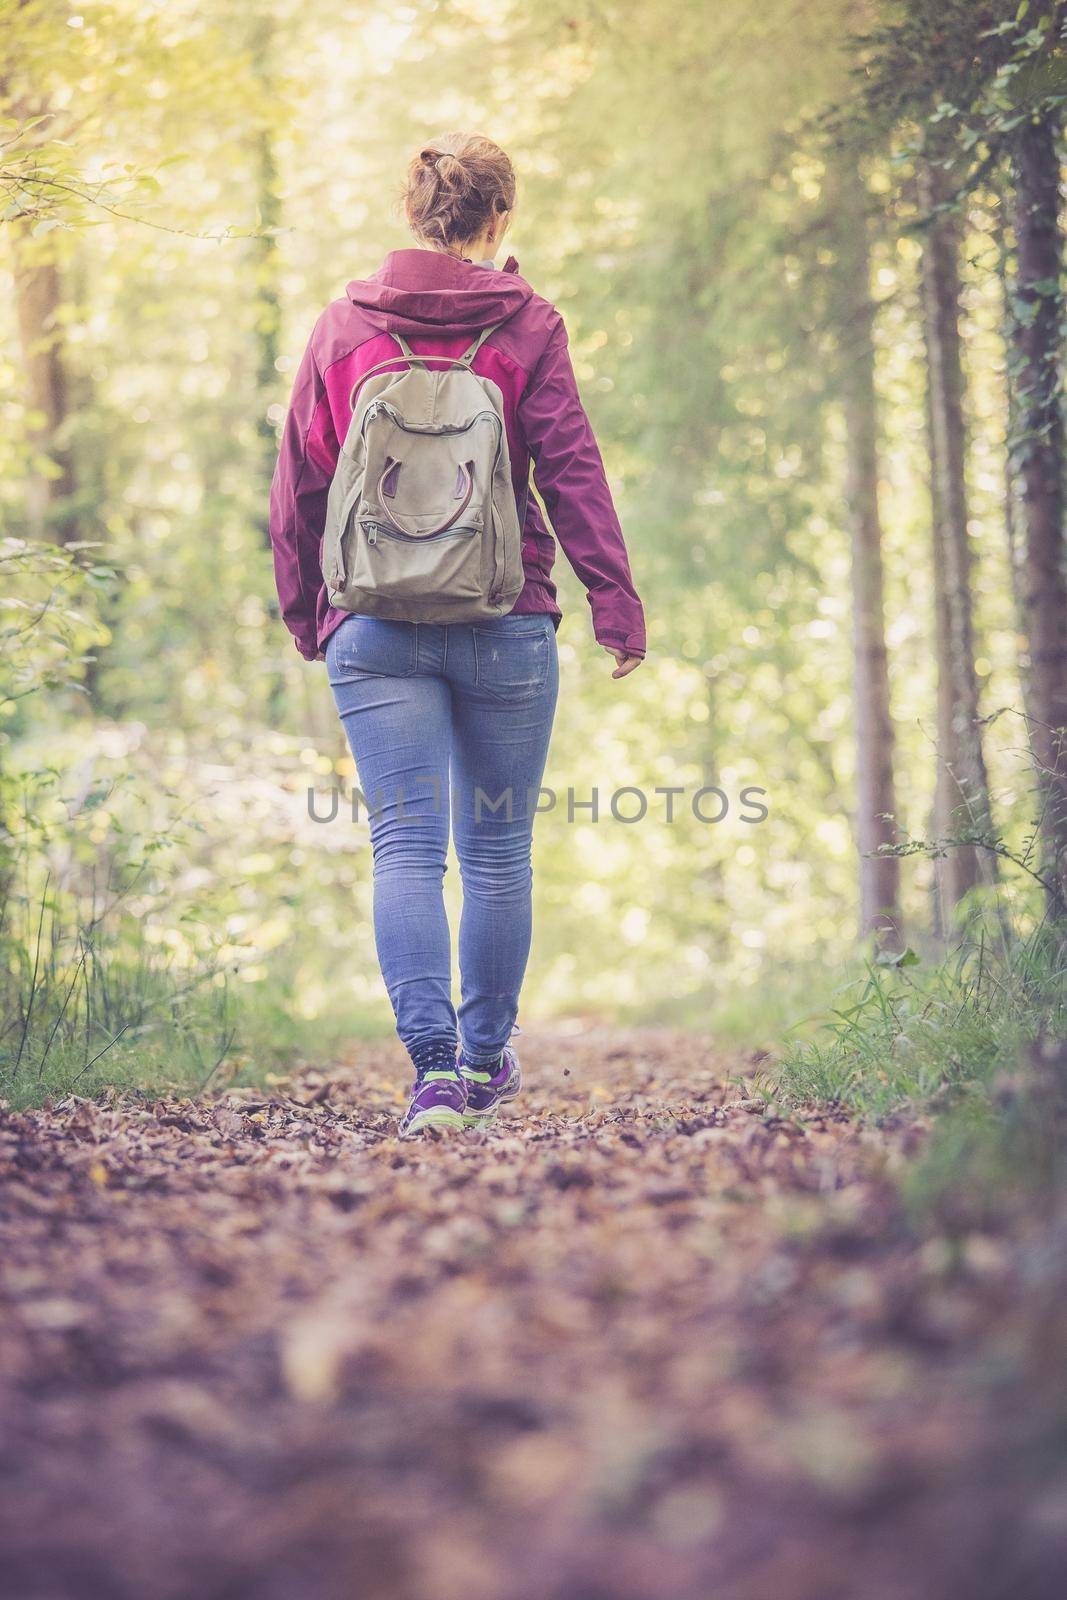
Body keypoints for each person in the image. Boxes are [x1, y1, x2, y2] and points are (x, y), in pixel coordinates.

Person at [269, 132, 645, 1134]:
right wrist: (615, 603)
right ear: (500, 217)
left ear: (413, 213)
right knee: (495, 852)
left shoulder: (343, 325)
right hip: (504, 617)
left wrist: (308, 609)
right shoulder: (527, 325)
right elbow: (569, 467)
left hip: (373, 622)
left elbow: (301, 481)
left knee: (403, 849)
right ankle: (482, 1064)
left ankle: (430, 1071)